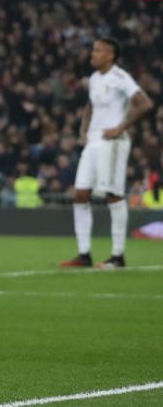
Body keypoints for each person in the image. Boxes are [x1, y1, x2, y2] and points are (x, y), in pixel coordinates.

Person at [61, 38, 154, 270]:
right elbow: (90, 106)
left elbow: (145, 104)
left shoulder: (120, 78)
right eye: (93, 49)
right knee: (80, 194)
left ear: (110, 55)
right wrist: (84, 131)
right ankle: (84, 255)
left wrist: (120, 128)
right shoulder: (94, 79)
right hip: (93, 142)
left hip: (111, 143)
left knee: (112, 194)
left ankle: (117, 256)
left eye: (98, 50)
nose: (93, 54)